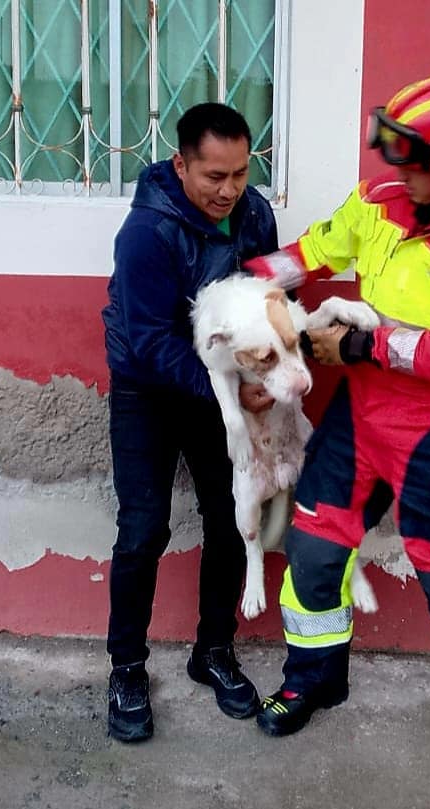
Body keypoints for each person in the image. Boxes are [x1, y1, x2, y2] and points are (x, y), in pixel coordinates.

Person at [242, 73, 430, 789]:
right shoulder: (379, 202)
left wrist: (360, 346)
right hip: (360, 421)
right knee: (313, 551)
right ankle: (314, 678)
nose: (398, 170)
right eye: (395, 154)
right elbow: (314, 252)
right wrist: (247, 286)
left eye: (412, 157)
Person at [101, 102, 278, 742]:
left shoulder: (254, 212)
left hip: (221, 387)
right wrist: (233, 391)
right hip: (148, 390)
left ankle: (213, 651)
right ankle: (126, 669)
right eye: (213, 177)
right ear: (181, 165)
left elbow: (267, 295)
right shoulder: (146, 233)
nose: (229, 191)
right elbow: (150, 343)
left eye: (239, 173)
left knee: (233, 518)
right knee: (143, 528)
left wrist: (275, 363)